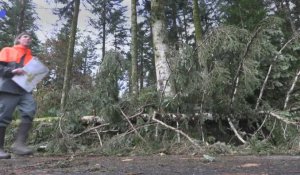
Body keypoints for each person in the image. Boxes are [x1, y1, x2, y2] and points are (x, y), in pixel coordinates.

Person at [0, 32, 36, 159]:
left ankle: (19, 145)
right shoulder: (7, 50)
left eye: (30, 37)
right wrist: (12, 71)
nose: (28, 38)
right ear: (19, 38)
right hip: (8, 88)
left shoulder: (30, 57)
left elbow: (33, 74)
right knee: (3, 116)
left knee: (30, 110)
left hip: (24, 89)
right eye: (25, 36)